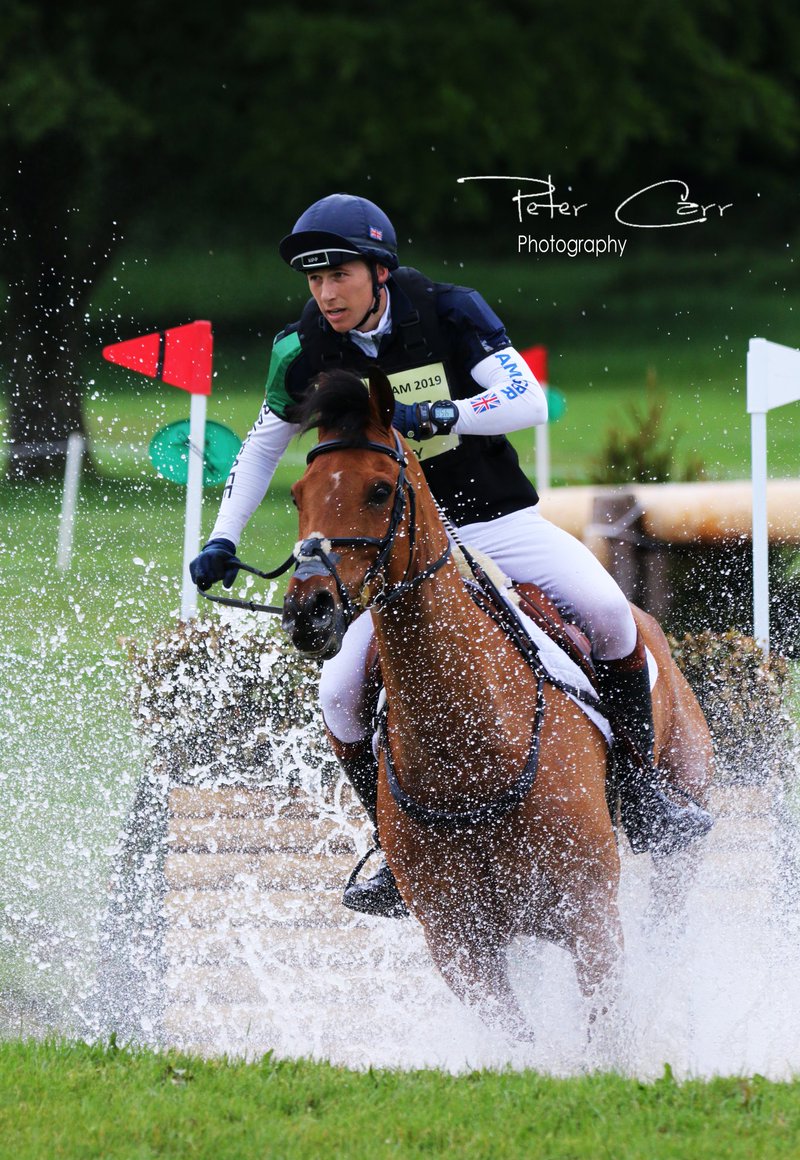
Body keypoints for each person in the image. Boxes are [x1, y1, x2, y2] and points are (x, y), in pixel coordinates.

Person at [191, 193, 712, 918]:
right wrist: (221, 536)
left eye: (337, 274)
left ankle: (640, 789)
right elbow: (262, 447)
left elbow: (528, 400)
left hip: (491, 521)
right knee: (338, 695)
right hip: (389, 552)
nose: (325, 293)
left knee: (608, 615)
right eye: (313, 280)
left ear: (379, 271)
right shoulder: (300, 346)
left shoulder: (448, 311)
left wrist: (454, 414)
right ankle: (393, 850)